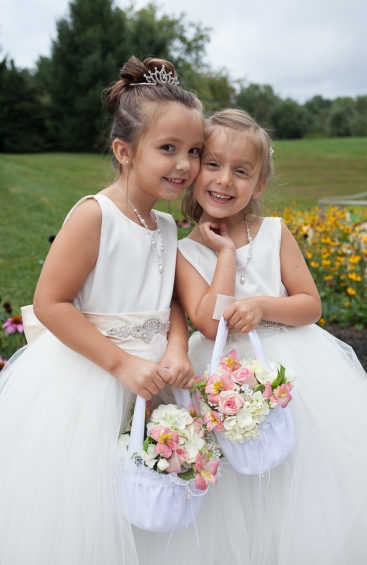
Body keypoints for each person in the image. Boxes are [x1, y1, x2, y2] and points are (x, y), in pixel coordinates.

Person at [0, 56, 203, 563]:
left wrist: (178, 345)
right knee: (90, 510)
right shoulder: (97, 214)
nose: (185, 164)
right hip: (94, 376)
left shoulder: (165, 224)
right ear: (124, 151)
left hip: (155, 377)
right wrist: (121, 363)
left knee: (153, 498)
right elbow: (50, 302)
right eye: (168, 148)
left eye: (194, 151)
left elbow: (171, 301)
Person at [173, 108, 367, 564]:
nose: (224, 180)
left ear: (260, 184)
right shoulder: (185, 252)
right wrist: (225, 254)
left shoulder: (274, 233)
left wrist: (264, 306)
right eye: (213, 164)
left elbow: (310, 305)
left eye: (241, 171)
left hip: (291, 367)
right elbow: (210, 324)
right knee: (238, 489)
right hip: (220, 372)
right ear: (194, 168)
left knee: (299, 476)